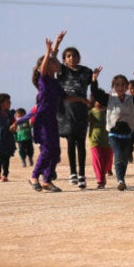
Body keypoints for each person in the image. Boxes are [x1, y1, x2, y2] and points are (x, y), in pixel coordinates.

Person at [28, 36, 91, 192]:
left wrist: (83, 101)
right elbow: (43, 68)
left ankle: (46, 181)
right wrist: (51, 49)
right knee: (48, 150)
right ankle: (34, 176)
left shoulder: (56, 83)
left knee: (55, 152)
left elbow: (66, 97)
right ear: (48, 66)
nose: (58, 64)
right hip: (42, 119)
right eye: (54, 62)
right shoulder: (44, 80)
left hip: (53, 120)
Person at [90, 68, 134, 191]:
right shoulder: (109, 98)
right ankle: (120, 180)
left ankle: (122, 177)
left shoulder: (131, 99)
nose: (120, 87)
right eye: (117, 84)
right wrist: (94, 79)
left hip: (127, 133)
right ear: (113, 86)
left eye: (123, 84)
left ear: (127, 86)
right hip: (113, 133)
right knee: (118, 154)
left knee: (125, 157)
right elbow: (95, 93)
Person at [53, 31, 95, 189]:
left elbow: (94, 89)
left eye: (75, 55)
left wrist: (92, 100)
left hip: (82, 111)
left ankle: (82, 174)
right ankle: (73, 173)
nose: (72, 58)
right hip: (66, 111)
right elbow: (51, 60)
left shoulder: (86, 72)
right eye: (69, 56)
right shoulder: (62, 71)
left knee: (81, 143)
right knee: (70, 141)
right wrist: (57, 43)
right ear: (64, 59)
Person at [88, 98, 113, 189]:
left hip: (108, 140)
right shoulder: (91, 112)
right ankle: (100, 180)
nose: (99, 102)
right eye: (97, 100)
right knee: (98, 159)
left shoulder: (109, 111)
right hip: (94, 140)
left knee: (106, 160)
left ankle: (103, 176)